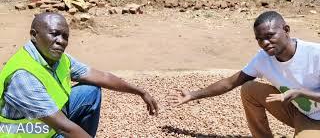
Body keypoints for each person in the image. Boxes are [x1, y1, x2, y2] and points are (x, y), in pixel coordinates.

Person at [0, 12, 158, 138]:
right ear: (34, 35)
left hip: (48, 123)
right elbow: (64, 128)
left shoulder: (57, 58)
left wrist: (140, 91)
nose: (61, 41)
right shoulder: (23, 76)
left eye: (65, 36)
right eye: (54, 34)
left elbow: (101, 76)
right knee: (68, 132)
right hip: (27, 134)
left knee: (90, 91)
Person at [170, 11, 320, 138]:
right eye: (259, 39)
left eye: (270, 36)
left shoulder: (315, 54)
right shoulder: (263, 59)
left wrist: (299, 93)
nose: (265, 43)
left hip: (317, 121)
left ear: (286, 30)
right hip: (300, 113)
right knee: (249, 89)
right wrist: (193, 94)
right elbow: (230, 82)